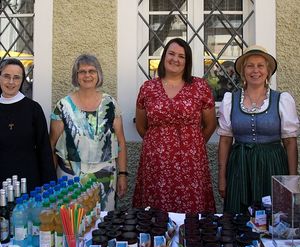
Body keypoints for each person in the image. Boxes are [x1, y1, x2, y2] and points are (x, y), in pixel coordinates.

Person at [133, 38, 217, 213]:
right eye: (171, 54)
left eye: (181, 56)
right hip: (156, 162)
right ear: (164, 57)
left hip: (191, 162)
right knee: (156, 212)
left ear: (187, 62)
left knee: (191, 213)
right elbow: (142, 126)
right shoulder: (148, 88)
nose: (175, 59)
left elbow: (210, 125)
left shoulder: (199, 87)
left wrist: (194, 144)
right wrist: (157, 143)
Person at [217, 45, 299, 214]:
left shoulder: (282, 100)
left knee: (273, 218)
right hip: (239, 167)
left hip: (272, 165)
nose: (255, 70)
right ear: (243, 71)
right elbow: (225, 141)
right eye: (250, 65)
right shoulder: (230, 100)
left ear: (268, 71)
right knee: (238, 220)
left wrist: (292, 180)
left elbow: (290, 143)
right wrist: (222, 177)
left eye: (260, 65)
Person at [50, 54, 127, 211]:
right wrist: (50, 179)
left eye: (92, 71)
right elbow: (51, 144)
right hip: (70, 178)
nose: (87, 75)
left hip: (105, 178)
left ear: (98, 75)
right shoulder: (63, 106)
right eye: (82, 71)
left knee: (103, 224)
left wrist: (123, 175)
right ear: (76, 76)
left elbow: (121, 143)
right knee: (72, 224)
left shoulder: (111, 104)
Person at [0, 58, 57, 192]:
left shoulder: (33, 109)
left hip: (29, 181)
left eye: (16, 77)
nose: (11, 82)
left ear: (22, 80)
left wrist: (49, 186)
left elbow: (44, 149)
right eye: (6, 76)